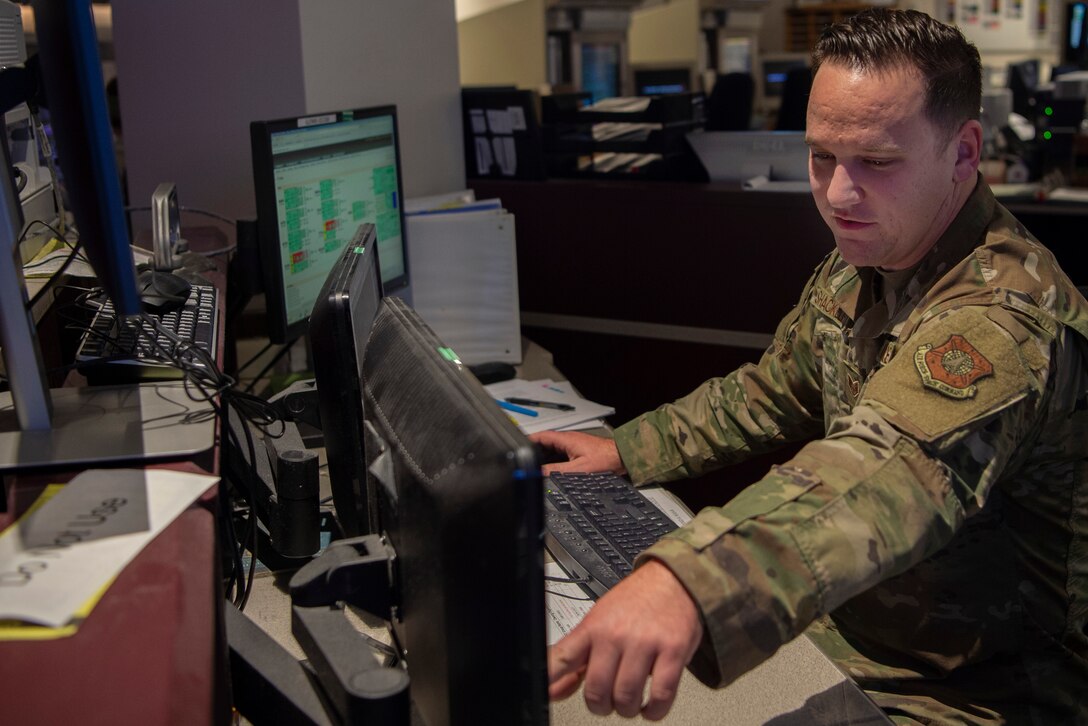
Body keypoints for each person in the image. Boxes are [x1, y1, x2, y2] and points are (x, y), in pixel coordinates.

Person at [535, 8, 1088, 724]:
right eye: (822, 156)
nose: (837, 194)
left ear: (963, 151)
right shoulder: (879, 252)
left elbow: (881, 472)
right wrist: (627, 449)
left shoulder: (999, 322)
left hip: (976, 689)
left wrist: (689, 585)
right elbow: (772, 392)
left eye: (877, 162)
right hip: (864, 631)